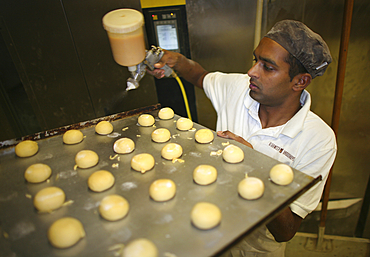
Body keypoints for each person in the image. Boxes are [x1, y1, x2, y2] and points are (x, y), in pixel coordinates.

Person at [149, 20, 337, 256]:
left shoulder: (319, 140)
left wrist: (253, 163)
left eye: (267, 67)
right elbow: (199, 76)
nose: (251, 72)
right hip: (207, 231)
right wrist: (177, 61)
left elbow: (286, 231)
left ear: (300, 81)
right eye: (255, 60)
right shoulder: (240, 89)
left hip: (255, 250)